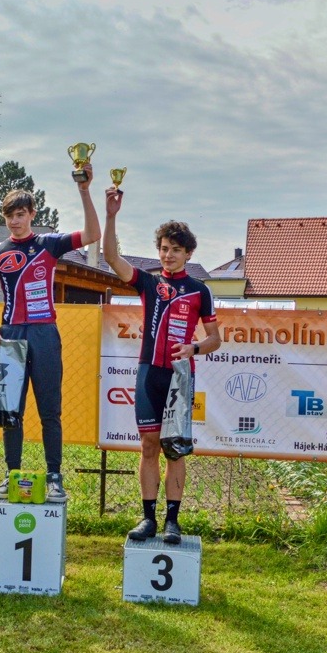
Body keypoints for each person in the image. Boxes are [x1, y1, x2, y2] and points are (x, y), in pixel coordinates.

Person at [102, 185, 220, 543]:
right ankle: (148, 518)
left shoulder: (200, 290)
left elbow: (215, 339)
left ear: (188, 253)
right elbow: (111, 257)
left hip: (179, 379)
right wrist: (111, 215)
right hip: (148, 373)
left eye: (175, 250)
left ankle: (173, 521)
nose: (168, 255)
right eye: (164, 249)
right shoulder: (149, 283)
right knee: (149, 445)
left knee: (174, 448)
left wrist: (194, 348)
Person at [0, 164, 101, 503]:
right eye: (10, 216)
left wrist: (84, 190)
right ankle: (12, 474)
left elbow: (93, 234)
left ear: (32, 214)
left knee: (50, 411)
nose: (15, 221)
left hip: (45, 332)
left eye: (20, 214)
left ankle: (54, 477)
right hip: (10, 336)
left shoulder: (48, 244)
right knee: (11, 412)